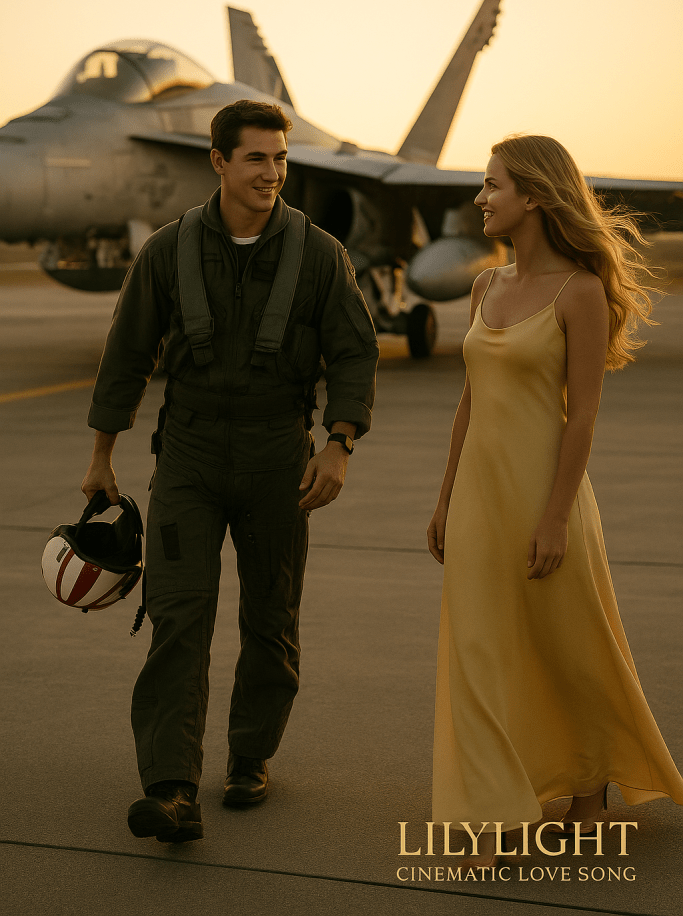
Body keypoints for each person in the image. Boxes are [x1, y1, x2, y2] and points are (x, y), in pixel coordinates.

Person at [81, 99, 379, 843]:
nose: (272, 173)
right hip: (187, 455)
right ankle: (172, 787)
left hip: (280, 456)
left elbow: (352, 353)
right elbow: (126, 356)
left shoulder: (318, 254)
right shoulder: (167, 250)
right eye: (256, 158)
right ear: (217, 161)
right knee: (177, 616)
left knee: (269, 618)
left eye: (280, 159)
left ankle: (250, 754)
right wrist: (100, 456)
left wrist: (339, 442)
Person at [427, 134, 683, 867]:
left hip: (550, 498)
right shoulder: (483, 289)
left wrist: (552, 517)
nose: (480, 198)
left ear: (532, 196)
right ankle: (498, 815)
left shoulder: (579, 293)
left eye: (491, 185)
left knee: (571, 647)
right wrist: (444, 500)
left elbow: (582, 415)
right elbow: (469, 402)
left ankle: (588, 787)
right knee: (478, 650)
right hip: (479, 497)